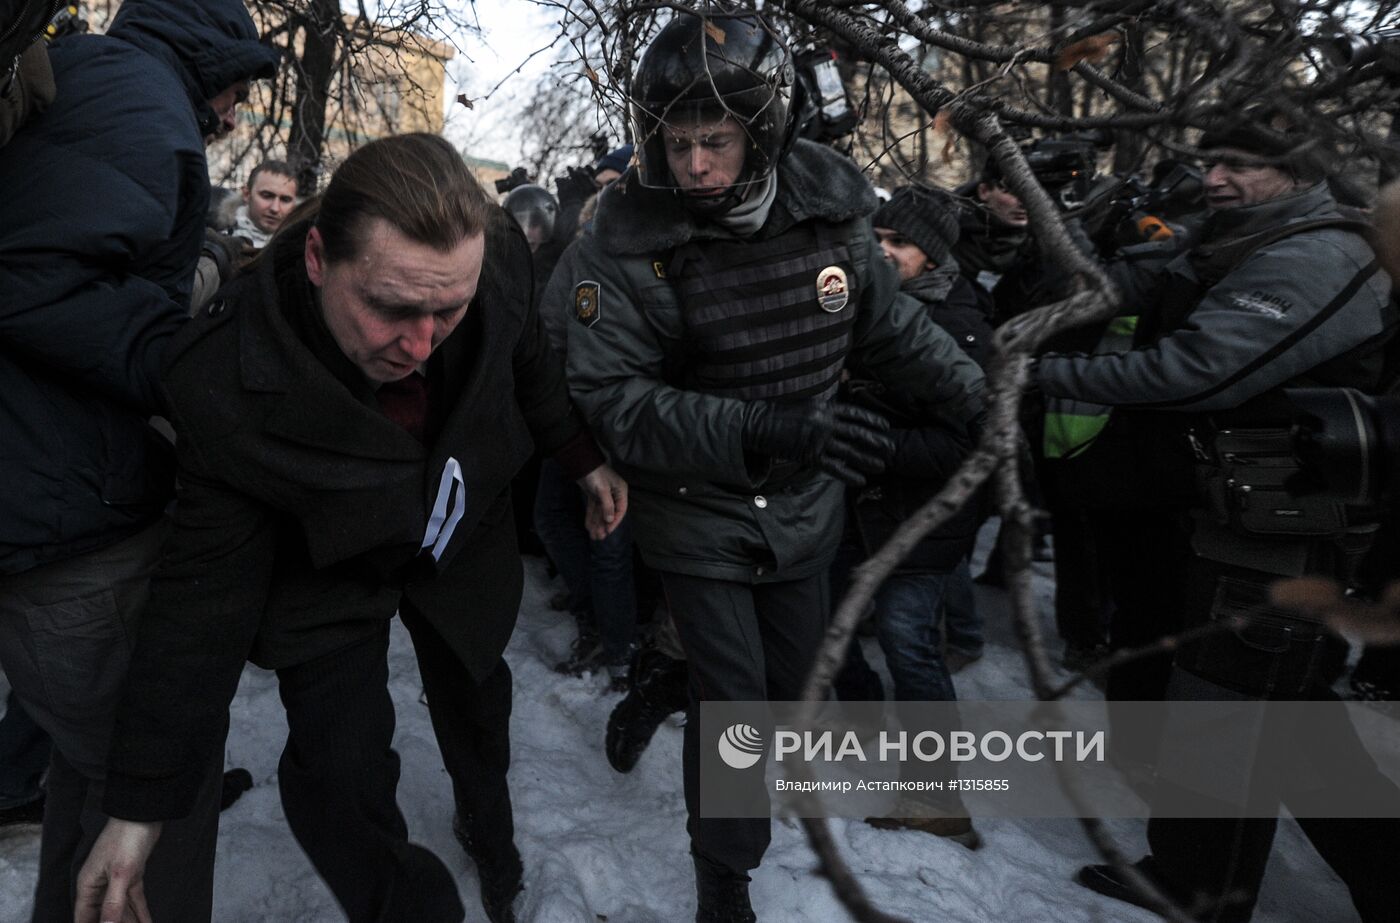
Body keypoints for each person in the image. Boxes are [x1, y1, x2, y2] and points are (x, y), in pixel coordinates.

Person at [75, 133, 627, 923]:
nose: (422, 344)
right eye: (393, 308)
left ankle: (491, 834)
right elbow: (200, 602)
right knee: (338, 773)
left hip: (459, 526)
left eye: (449, 309)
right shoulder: (224, 375)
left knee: (475, 698)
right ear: (315, 259)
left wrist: (580, 458)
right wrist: (139, 806)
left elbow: (526, 356)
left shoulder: (493, 252)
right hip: (325, 558)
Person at [553, 11, 985, 921]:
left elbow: (888, 326)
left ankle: (668, 681)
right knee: (739, 718)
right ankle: (726, 882)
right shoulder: (625, 245)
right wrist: (766, 426)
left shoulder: (829, 209)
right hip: (698, 510)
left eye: (715, 141)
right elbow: (615, 400)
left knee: (787, 693)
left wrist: (982, 397)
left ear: (765, 129)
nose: (696, 166)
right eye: (677, 144)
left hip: (802, 507)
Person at [1040, 110, 1400, 922]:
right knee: (1286, 721)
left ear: (1301, 172)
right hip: (1240, 519)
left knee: (1228, 716)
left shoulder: (1317, 254)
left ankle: (1202, 887)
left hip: (1279, 533)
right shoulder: (1243, 236)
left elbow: (1199, 371)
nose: (1215, 179)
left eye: (1241, 165)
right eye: (1212, 162)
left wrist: (1041, 372)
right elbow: (1141, 274)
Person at [0, 0, 278, 919]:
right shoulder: (140, 108)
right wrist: (188, 361)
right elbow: (42, 280)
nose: (238, 110)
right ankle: (734, 861)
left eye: (716, 142)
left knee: (744, 696)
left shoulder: (100, 85)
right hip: (63, 509)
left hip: (735, 529)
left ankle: (741, 853)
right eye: (239, 85)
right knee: (146, 777)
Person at [229, 158, 300, 248]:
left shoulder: (303, 249)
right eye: (267, 196)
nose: (275, 208)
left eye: (285, 200)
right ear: (247, 194)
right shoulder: (219, 240)